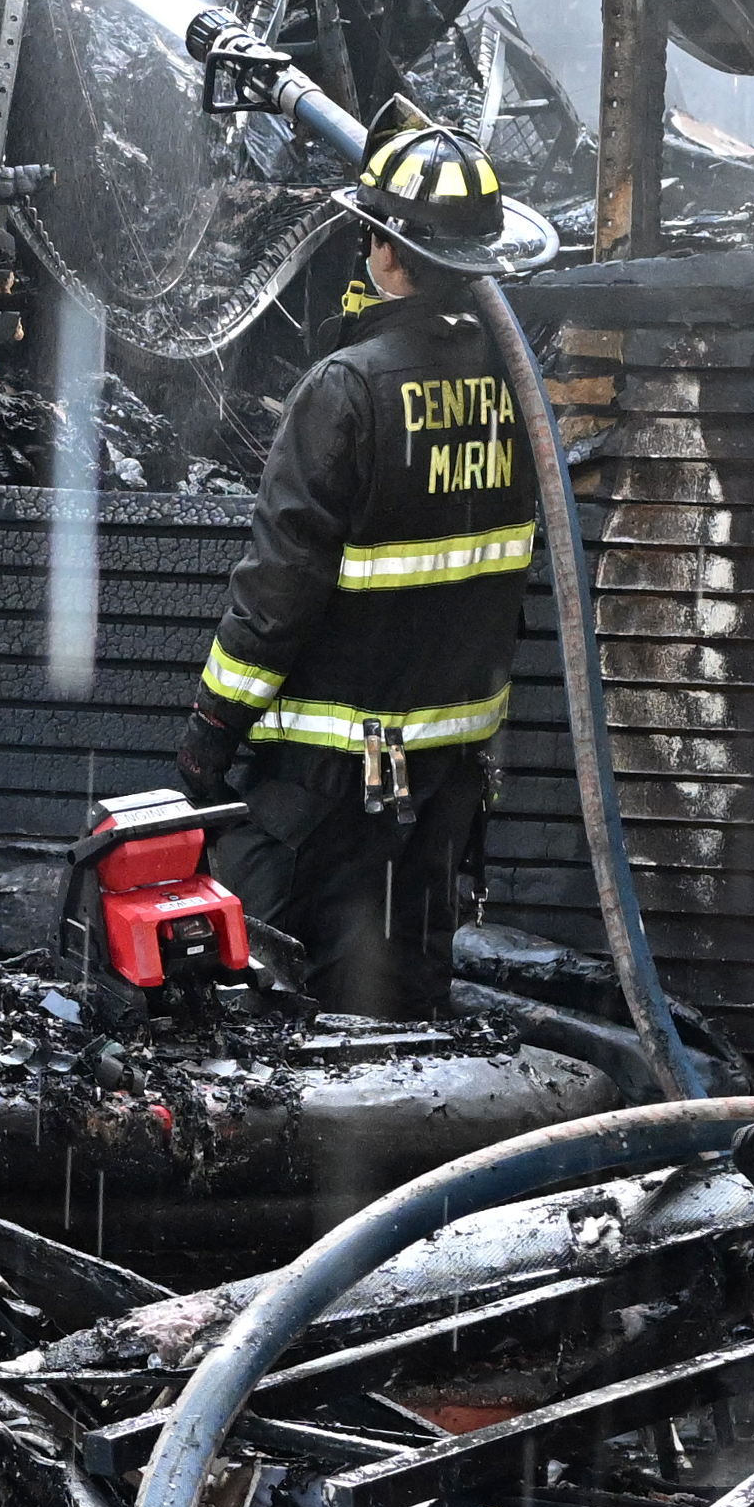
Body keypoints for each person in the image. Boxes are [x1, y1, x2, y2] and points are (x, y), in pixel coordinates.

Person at [169, 111, 560, 1015]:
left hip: (321, 790)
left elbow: (275, 601)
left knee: (259, 1010)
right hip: (443, 790)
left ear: (387, 251)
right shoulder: (517, 386)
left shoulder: (346, 391)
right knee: (403, 1018)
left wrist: (203, 744)